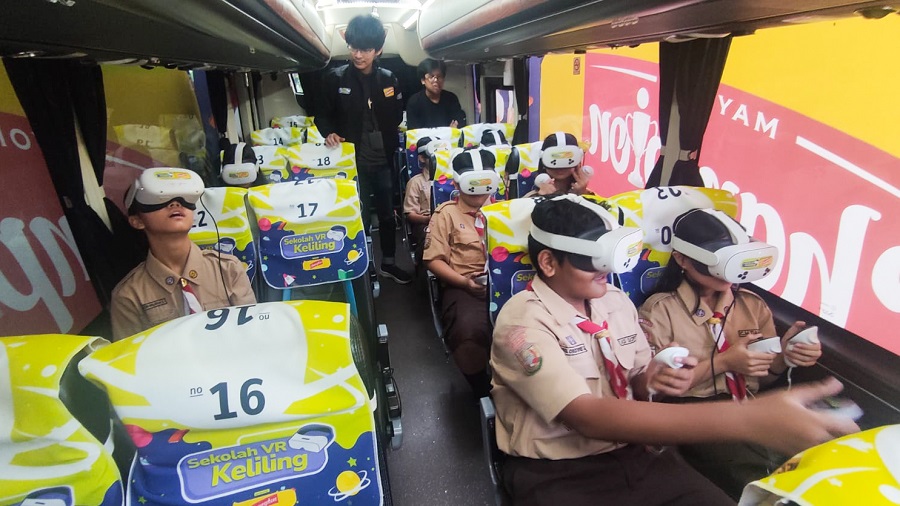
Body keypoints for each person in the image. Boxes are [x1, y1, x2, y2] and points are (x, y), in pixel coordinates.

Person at [490, 195, 856, 506]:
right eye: (593, 260)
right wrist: (748, 420)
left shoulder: (614, 301)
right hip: (558, 471)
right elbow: (586, 416)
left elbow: (634, 381)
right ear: (549, 262)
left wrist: (652, 378)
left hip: (636, 454)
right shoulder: (521, 325)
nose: (608, 270)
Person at [637, 207, 823, 499]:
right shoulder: (660, 311)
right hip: (691, 416)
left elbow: (761, 379)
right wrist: (724, 362)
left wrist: (784, 357)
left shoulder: (752, 305)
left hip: (749, 405)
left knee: (811, 457)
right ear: (682, 259)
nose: (727, 274)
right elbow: (653, 393)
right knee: (756, 478)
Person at [315, 14, 412, 285]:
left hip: (383, 159)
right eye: (354, 48)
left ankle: (389, 263)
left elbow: (396, 115)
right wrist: (329, 133)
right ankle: (363, 266)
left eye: (366, 49)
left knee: (387, 214)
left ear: (377, 50)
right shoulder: (335, 79)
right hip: (351, 161)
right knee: (359, 216)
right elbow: (322, 115)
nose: (358, 55)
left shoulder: (389, 79)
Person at [110, 168, 256, 341]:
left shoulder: (228, 269)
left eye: (184, 199)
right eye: (158, 200)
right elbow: (131, 353)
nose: (175, 204)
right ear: (137, 221)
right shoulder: (129, 295)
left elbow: (252, 331)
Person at [424, 149, 500, 398]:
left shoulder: (505, 211)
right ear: (457, 184)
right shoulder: (445, 214)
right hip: (464, 286)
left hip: (503, 284)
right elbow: (433, 260)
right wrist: (465, 283)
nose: (479, 193)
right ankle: (482, 390)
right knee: (468, 333)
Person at [525, 132, 593, 197]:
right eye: (554, 158)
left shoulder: (588, 195)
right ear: (543, 161)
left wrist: (582, 194)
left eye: (567, 157)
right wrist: (540, 197)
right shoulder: (529, 192)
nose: (560, 168)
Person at [406, 58, 467, 130]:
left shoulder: (451, 98)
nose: (436, 80)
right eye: (431, 77)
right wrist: (447, 131)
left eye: (439, 76)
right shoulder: (414, 102)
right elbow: (414, 132)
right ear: (423, 80)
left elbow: (459, 125)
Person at [403, 136, 434, 264]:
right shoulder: (415, 182)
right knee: (431, 238)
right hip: (425, 222)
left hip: (450, 220)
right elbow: (410, 214)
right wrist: (428, 219)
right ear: (422, 158)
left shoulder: (453, 181)